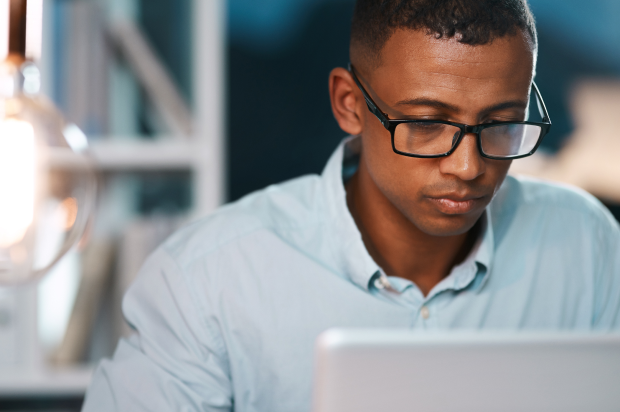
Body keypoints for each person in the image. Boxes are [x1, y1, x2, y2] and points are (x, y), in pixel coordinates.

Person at [82, 0, 620, 411]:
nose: (468, 167)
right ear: (350, 105)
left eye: (501, 123)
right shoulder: (209, 281)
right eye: (427, 124)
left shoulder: (587, 247)